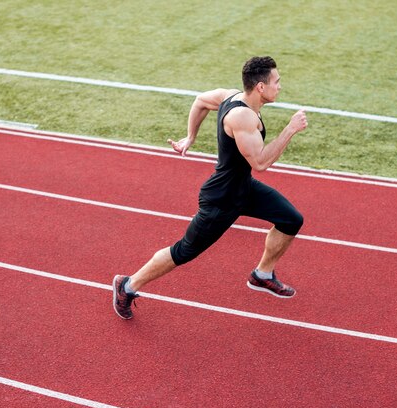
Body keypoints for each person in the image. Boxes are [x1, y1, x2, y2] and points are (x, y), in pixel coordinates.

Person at [113, 56, 308, 320]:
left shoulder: (232, 97)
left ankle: (262, 274)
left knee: (290, 220)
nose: (280, 87)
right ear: (260, 87)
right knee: (183, 251)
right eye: (277, 82)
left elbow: (201, 101)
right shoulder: (241, 116)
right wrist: (290, 130)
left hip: (243, 188)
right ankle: (127, 285)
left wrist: (190, 138)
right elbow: (261, 162)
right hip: (222, 199)